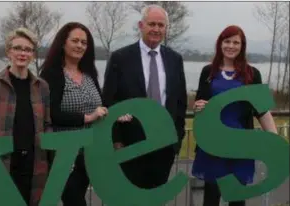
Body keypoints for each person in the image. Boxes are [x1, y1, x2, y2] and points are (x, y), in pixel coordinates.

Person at [102, 4, 187, 189]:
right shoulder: (120, 58)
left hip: (164, 146)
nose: (156, 29)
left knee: (156, 199)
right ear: (141, 25)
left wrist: (177, 141)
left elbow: (180, 103)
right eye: (152, 24)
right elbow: (108, 100)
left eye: (161, 25)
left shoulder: (175, 59)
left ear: (166, 28)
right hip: (129, 146)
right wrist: (116, 140)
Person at [191, 25, 278, 206]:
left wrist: (275, 140)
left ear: (242, 46)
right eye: (227, 41)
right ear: (220, 44)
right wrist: (198, 107)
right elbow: (199, 105)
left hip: (241, 145)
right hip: (213, 144)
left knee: (237, 198)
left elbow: (261, 111)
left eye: (236, 42)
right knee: (211, 198)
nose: (231, 46)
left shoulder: (252, 74)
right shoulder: (208, 72)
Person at [0, 28, 52, 205]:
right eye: (18, 48)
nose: (22, 53)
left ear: (32, 54)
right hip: (2, 163)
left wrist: (55, 158)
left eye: (28, 49)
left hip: (33, 165)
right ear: (9, 51)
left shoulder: (42, 87)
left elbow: (47, 125)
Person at [39, 22, 108, 206]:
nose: (79, 46)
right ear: (63, 43)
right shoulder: (51, 74)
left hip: (89, 153)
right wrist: (87, 117)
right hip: (63, 153)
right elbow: (50, 114)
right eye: (75, 41)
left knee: (77, 196)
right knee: (73, 200)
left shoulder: (89, 73)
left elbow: (99, 105)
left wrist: (113, 114)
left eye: (84, 43)